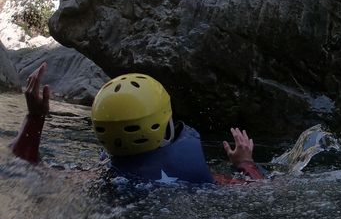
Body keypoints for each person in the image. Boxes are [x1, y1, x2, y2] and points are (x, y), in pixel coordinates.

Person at [9, 63, 263, 184]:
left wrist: (35, 117)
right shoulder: (201, 178)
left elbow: (25, 166)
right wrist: (245, 163)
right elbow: (260, 191)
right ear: (164, 126)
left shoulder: (97, 178)